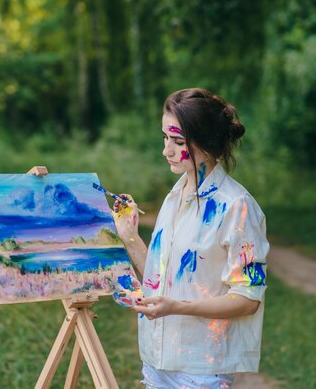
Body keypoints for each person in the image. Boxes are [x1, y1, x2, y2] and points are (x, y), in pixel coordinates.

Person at [112, 87, 269, 389]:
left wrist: (176, 306)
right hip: (157, 361)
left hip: (203, 367)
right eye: (164, 138)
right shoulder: (175, 195)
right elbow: (159, 280)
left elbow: (248, 300)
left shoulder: (237, 207)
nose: (166, 150)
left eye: (178, 141)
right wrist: (129, 236)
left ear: (207, 143)